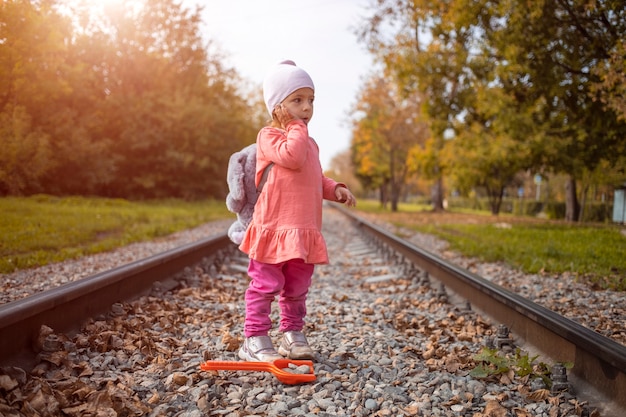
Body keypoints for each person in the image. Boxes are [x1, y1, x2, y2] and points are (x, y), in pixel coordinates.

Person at [237, 60, 356, 362]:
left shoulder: (309, 143)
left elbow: (315, 176)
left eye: (311, 100)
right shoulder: (270, 136)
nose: (307, 108)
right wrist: (294, 126)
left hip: (303, 231)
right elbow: (291, 157)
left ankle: (292, 334)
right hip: (274, 228)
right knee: (266, 285)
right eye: (297, 100)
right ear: (277, 106)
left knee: (297, 288)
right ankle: (254, 337)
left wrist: (334, 189)